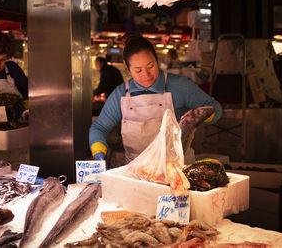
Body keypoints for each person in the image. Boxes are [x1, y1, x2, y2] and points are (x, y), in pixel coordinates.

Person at [89, 34, 222, 163]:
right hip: (136, 174)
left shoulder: (180, 86)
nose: (146, 74)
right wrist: (98, 151)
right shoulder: (121, 94)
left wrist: (202, 116)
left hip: (177, 170)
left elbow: (215, 107)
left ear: (157, 61)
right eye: (138, 70)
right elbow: (99, 127)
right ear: (128, 70)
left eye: (150, 66)